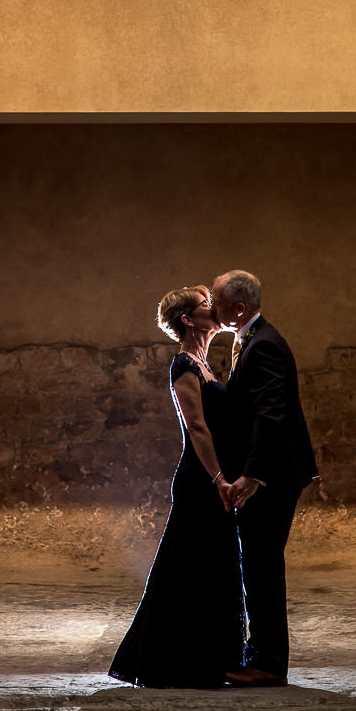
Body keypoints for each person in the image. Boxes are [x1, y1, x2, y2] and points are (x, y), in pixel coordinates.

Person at [109, 286, 245, 688]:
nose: (215, 310)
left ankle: (208, 660)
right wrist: (219, 479)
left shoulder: (205, 364)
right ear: (188, 319)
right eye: (208, 306)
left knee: (213, 570)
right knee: (185, 570)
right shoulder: (184, 367)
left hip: (213, 479)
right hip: (200, 481)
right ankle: (170, 663)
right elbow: (198, 428)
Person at [211, 269, 319, 688]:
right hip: (269, 474)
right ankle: (262, 657)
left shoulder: (266, 346)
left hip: (272, 477)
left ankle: (269, 664)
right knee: (258, 566)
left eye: (217, 302)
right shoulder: (251, 340)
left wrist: (253, 475)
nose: (212, 308)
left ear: (237, 309)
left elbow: (272, 415)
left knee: (263, 568)